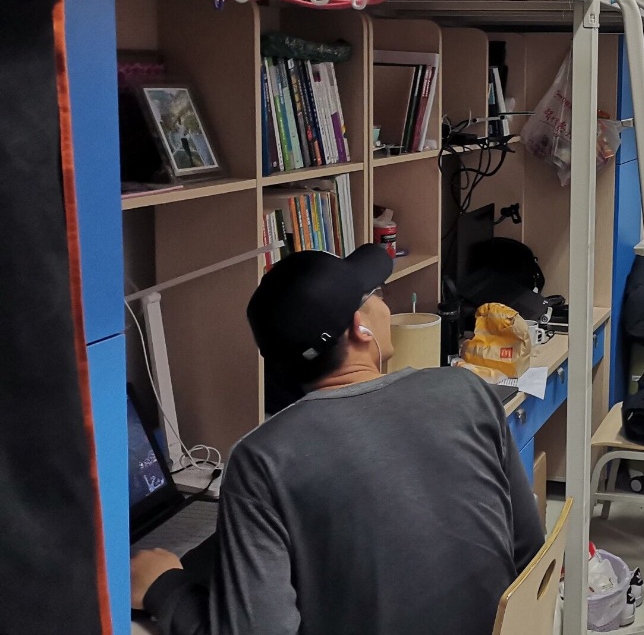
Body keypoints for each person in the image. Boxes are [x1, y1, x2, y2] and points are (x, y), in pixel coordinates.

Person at [130, 244, 544, 635]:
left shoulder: (264, 459)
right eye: (376, 294)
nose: (384, 303)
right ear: (360, 328)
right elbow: (529, 552)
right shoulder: (466, 391)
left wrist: (164, 589)